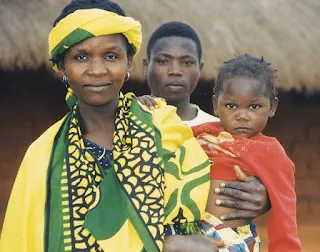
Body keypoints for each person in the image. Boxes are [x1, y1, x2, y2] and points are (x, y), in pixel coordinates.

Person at [0, 1, 222, 251]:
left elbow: (214, 202)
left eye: (111, 56)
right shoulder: (42, 156)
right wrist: (165, 241)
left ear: (129, 63)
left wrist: (263, 195)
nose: (97, 70)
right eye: (81, 57)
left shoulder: (164, 127)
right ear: (62, 67)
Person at [140, 21, 270, 223]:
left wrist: (265, 197)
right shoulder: (128, 121)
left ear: (200, 68)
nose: (175, 70)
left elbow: (262, 170)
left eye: (187, 62)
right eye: (163, 61)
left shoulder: (222, 131)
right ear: (145, 65)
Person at [193, 54, 301, 251]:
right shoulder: (204, 133)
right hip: (192, 236)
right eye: (231, 106)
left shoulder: (271, 152)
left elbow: (284, 213)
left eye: (254, 106)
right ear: (216, 105)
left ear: (272, 107)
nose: (242, 116)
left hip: (233, 241)